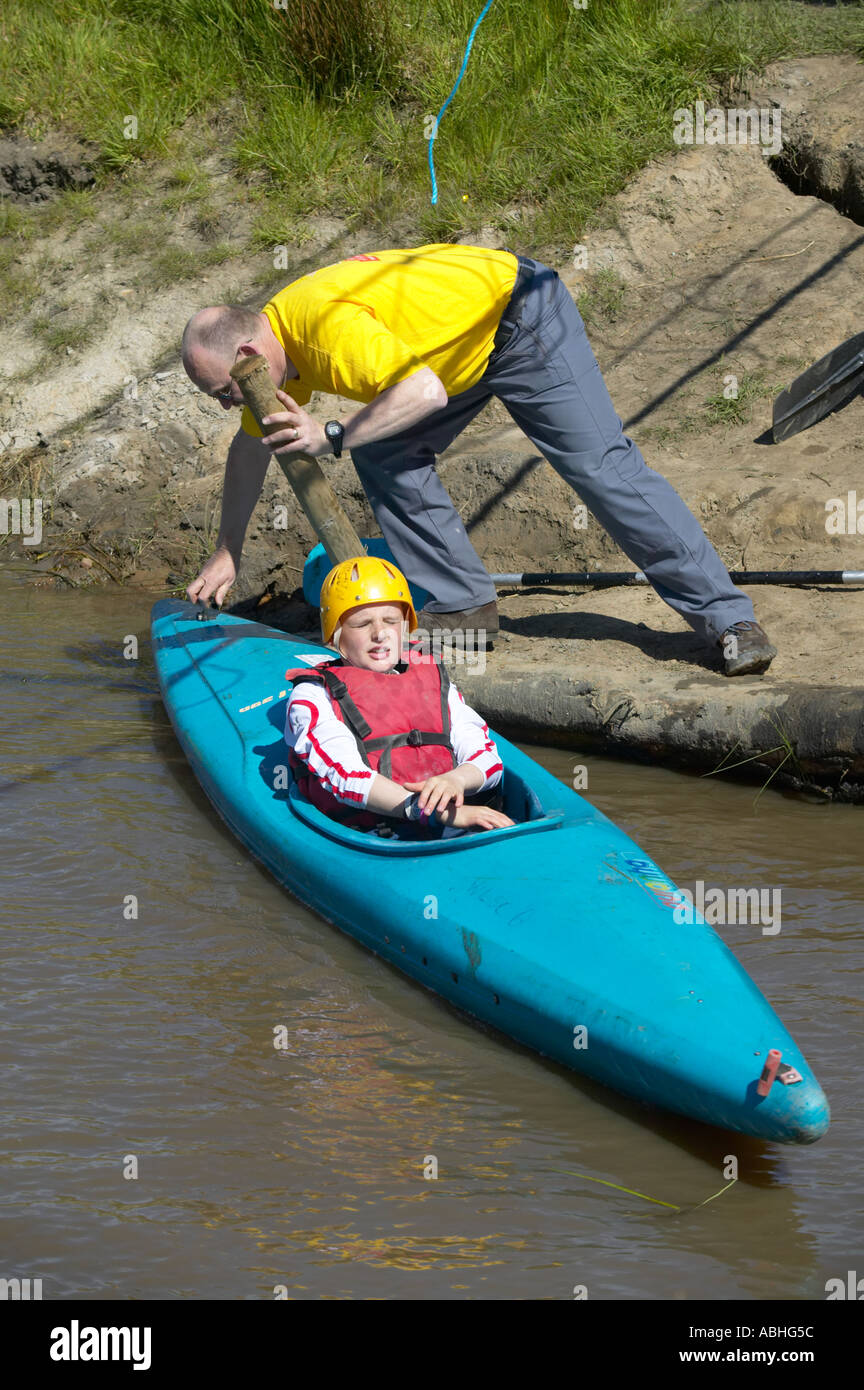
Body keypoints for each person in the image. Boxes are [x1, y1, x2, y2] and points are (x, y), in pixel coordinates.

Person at [181, 243, 776, 676]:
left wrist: (334, 434)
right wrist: (228, 551)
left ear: (247, 351)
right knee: (386, 453)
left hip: (520, 317)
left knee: (601, 468)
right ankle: (463, 609)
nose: (230, 402)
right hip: (451, 347)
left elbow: (425, 395)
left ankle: (730, 621)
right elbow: (247, 448)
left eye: (223, 391)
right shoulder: (270, 347)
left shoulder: (326, 333)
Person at [283, 555, 515, 837]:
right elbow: (345, 777)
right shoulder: (313, 695)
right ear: (335, 636)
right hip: (373, 832)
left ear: (404, 627)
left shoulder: (433, 677)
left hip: (451, 817)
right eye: (361, 624)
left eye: (390, 620)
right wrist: (431, 812)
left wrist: (455, 780)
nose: (379, 634)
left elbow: (487, 758)